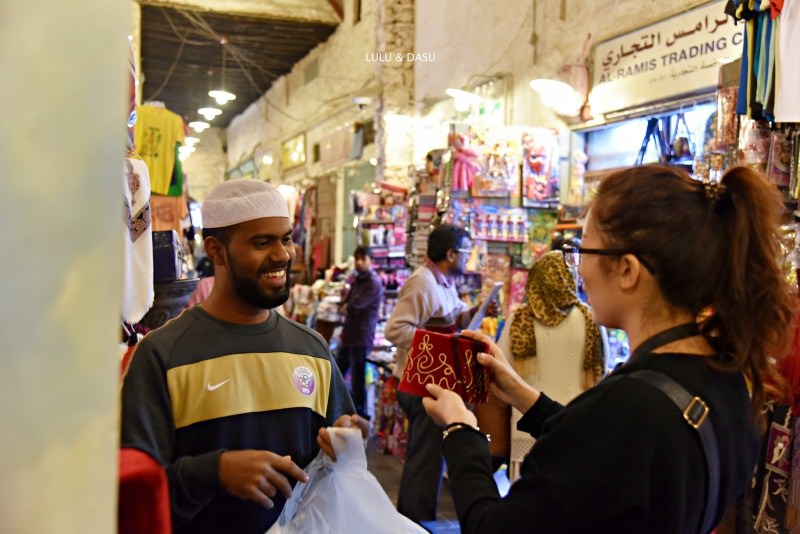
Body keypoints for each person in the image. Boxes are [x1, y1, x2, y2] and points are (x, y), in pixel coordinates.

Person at [422, 165, 795, 533]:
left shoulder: (629, 406)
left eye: (583, 248)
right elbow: (604, 451)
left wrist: (461, 431)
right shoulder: (728, 379)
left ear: (628, 270)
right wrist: (522, 394)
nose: (578, 269)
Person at [120, 179, 364, 534]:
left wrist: (350, 440)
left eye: (285, 238)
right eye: (262, 242)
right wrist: (213, 472)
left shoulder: (312, 349)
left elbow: (341, 448)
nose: (282, 255)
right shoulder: (162, 356)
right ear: (216, 251)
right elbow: (131, 490)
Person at [385, 222, 489, 524]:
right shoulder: (423, 283)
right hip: (418, 383)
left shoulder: (444, 280)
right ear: (451, 253)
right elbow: (395, 329)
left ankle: (415, 519)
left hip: (432, 381)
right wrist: (436, 344)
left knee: (429, 457)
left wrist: (475, 313)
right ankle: (412, 521)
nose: (468, 258)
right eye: (466, 252)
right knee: (425, 459)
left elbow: (450, 315)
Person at [496, 250, 605, 480]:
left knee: (525, 491)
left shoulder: (520, 319)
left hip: (526, 419)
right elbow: (602, 371)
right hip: (575, 420)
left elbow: (501, 367)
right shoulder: (590, 319)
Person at [336, 246, 384, 418]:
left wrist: (346, 308)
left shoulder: (373, 282)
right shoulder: (357, 279)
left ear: (371, 260)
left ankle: (360, 413)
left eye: (363, 259)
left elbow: (355, 305)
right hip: (350, 333)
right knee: (338, 368)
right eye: (357, 259)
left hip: (362, 335)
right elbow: (348, 301)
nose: (359, 262)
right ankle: (343, 405)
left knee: (357, 377)